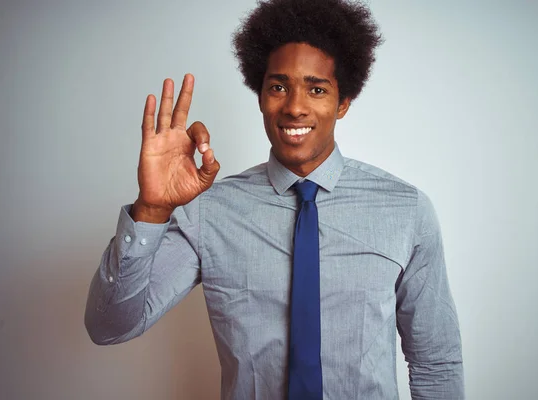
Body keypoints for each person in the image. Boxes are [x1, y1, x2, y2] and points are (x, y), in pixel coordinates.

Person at [85, 0, 464, 398]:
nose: (295, 107)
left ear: (343, 103)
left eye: (316, 89)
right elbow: (109, 326)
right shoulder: (211, 213)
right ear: (261, 96)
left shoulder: (405, 211)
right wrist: (152, 210)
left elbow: (435, 361)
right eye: (279, 87)